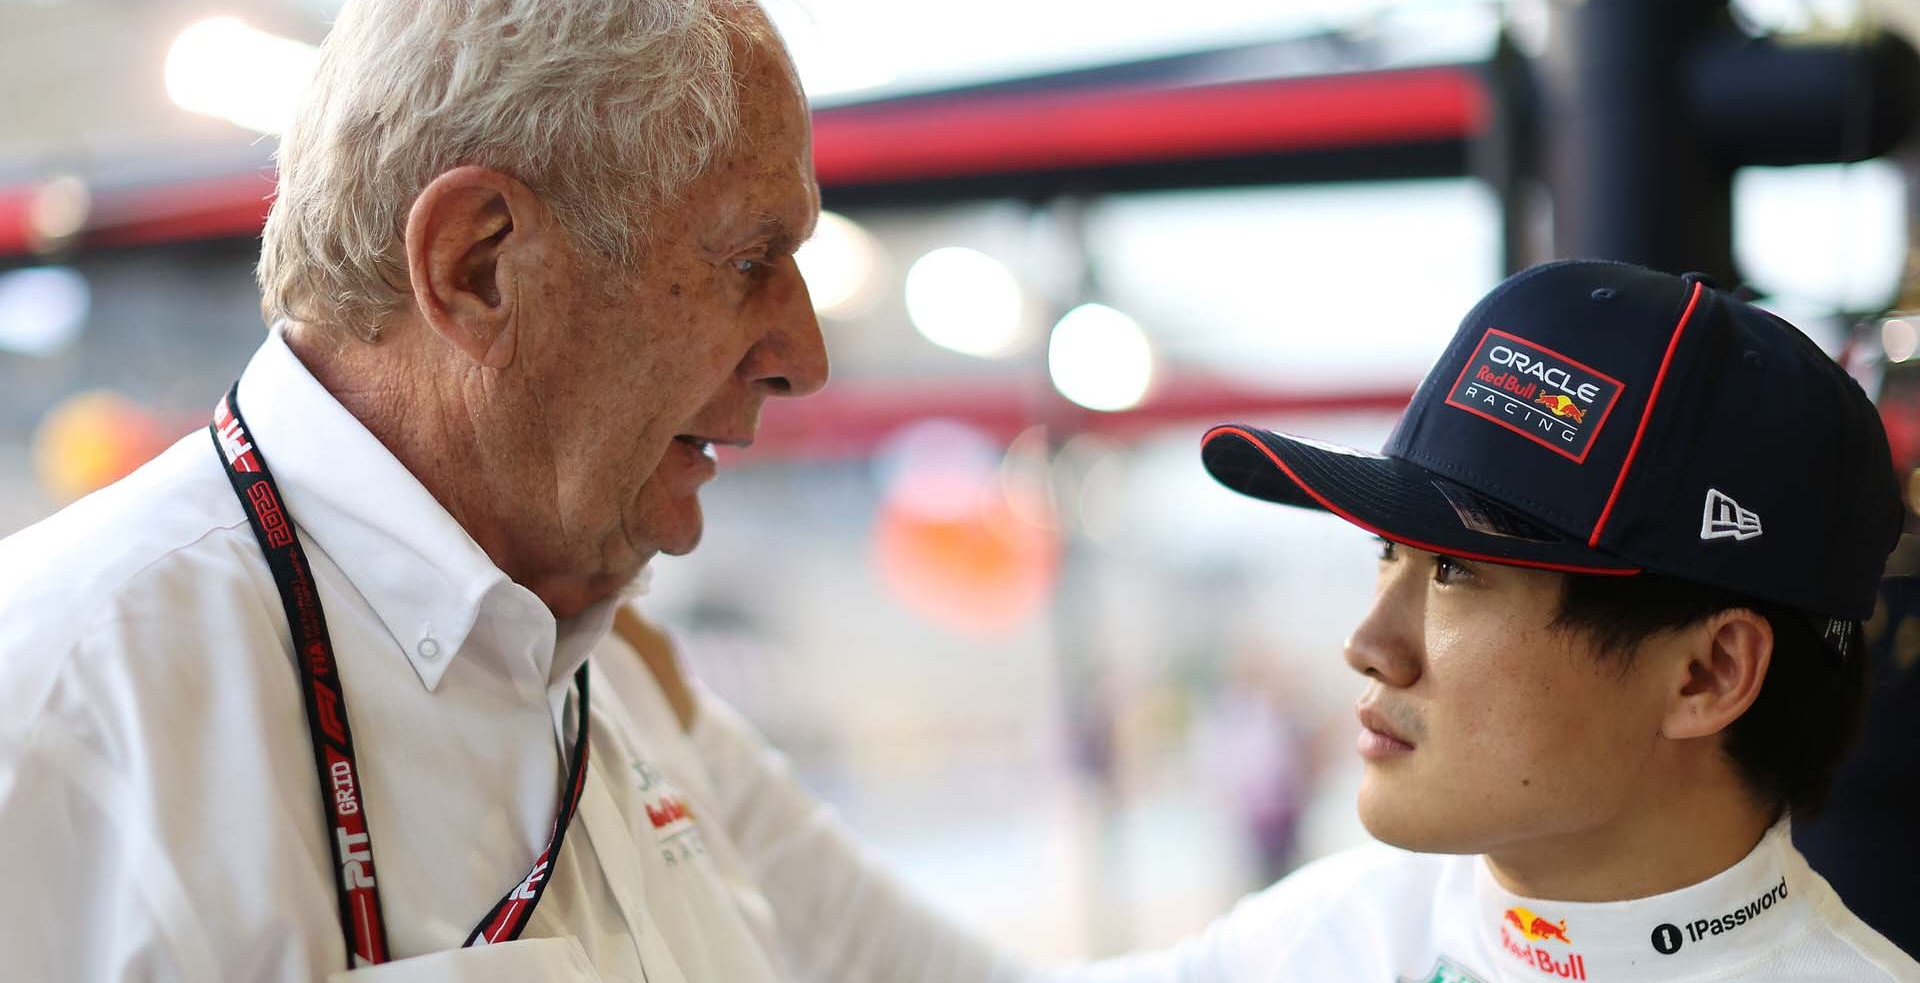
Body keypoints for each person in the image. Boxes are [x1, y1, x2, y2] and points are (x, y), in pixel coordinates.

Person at [618, 260, 1920, 981]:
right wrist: (686, 732)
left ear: (1707, 674)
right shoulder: (1359, 927)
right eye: (1388, 555)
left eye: (1460, 575)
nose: (1370, 642)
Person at [0, 0, 827, 980]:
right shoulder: (63, 714)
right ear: (476, 265)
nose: (804, 358)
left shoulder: (599, 668)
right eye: (749, 259)